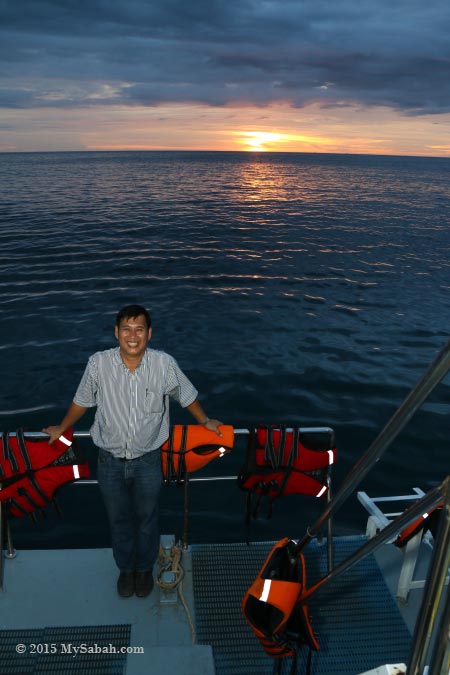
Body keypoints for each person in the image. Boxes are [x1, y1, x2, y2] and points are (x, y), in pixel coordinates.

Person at [43, 304, 223, 598]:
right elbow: (82, 401)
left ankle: (144, 569)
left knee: (148, 518)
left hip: (149, 460)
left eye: (139, 329)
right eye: (126, 329)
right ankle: (126, 569)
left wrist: (205, 420)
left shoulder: (164, 365)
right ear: (116, 333)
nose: (132, 335)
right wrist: (62, 428)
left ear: (149, 334)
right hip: (109, 461)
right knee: (118, 519)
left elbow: (185, 395)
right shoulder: (98, 364)